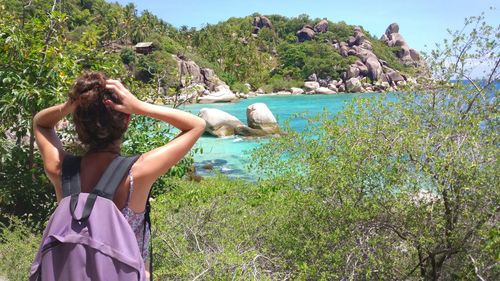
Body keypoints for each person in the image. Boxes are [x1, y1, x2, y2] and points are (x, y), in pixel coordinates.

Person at [33, 71, 206, 278]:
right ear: (126, 119)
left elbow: (40, 123)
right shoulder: (138, 172)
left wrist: (71, 105)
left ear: (77, 123)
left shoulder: (61, 171)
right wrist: (139, 106)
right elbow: (196, 125)